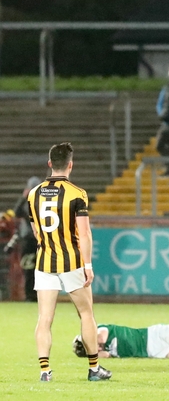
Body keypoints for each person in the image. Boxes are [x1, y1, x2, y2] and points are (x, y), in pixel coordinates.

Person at [28, 143, 112, 382]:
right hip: (72, 262)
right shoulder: (77, 194)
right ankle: (94, 369)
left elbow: (36, 230)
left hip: (45, 262)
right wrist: (88, 265)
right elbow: (84, 234)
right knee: (86, 314)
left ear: (49, 164)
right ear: (71, 165)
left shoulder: (34, 193)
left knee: (44, 318)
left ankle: (45, 371)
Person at [3, 176, 42, 301]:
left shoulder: (41, 202)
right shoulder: (26, 202)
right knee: (29, 268)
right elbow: (17, 213)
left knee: (40, 269)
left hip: (38, 239)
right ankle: (30, 295)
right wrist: (23, 198)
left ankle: (37, 295)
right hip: (28, 239)